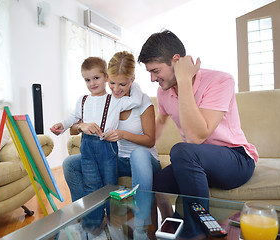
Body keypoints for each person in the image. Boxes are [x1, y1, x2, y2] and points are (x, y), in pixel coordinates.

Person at [138, 29, 258, 238]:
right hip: (197, 164)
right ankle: (170, 224)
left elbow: (196, 137)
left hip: (236, 159)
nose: (152, 78)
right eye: (149, 72)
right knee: (156, 182)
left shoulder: (220, 81)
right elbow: (161, 120)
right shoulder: (163, 91)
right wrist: (137, 144)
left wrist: (184, 81)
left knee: (182, 151)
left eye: (155, 71)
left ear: (176, 61)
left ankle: (197, 233)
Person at [63, 51, 162, 238]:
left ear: (133, 79)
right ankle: (86, 218)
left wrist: (123, 134)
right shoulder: (105, 101)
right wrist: (81, 125)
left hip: (144, 162)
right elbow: (72, 128)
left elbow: (150, 140)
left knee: (138, 154)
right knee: (70, 165)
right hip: (114, 159)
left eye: (122, 84)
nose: (116, 89)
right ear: (107, 78)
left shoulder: (142, 102)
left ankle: (141, 227)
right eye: (112, 83)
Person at [51, 56, 142, 198]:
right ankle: (93, 220)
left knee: (110, 186)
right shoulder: (83, 100)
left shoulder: (115, 100)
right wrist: (61, 126)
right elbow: (73, 117)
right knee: (91, 185)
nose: (92, 83)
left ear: (106, 77)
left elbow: (136, 101)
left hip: (107, 147)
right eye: (87, 80)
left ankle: (113, 219)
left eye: (96, 78)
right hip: (87, 147)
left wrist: (132, 82)